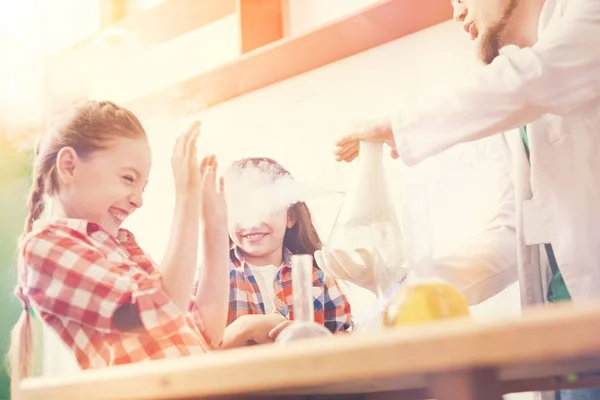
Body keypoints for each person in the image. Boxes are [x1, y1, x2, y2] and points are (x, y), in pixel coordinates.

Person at [329, 1, 600, 399]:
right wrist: (408, 285)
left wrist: (396, 125)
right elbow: (513, 234)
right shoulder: (515, 106)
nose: (457, 13)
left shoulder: (586, 16)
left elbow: (535, 81)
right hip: (567, 343)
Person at [7, 100, 230, 399]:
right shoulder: (45, 248)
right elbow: (161, 310)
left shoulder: (122, 247)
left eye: (144, 187)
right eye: (128, 178)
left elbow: (205, 330)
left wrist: (214, 226)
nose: (138, 200)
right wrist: (186, 197)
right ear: (69, 166)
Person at [218, 157, 352, 348]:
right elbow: (192, 354)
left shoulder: (319, 281)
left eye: (264, 207)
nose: (252, 222)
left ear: (290, 217)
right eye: (240, 209)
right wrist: (244, 328)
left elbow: (346, 345)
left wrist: (314, 340)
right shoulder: (211, 280)